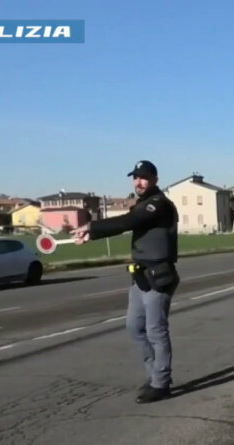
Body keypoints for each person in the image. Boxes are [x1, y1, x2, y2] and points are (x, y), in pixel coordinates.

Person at [72, 160, 180, 404]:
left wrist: (91, 226)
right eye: (135, 177)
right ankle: (154, 375)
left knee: (156, 331)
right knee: (135, 327)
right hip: (140, 277)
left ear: (155, 179)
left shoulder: (158, 204)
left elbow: (129, 221)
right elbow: (127, 221)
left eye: (143, 177)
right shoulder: (142, 204)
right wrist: (91, 233)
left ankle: (161, 383)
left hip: (158, 276)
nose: (138, 182)